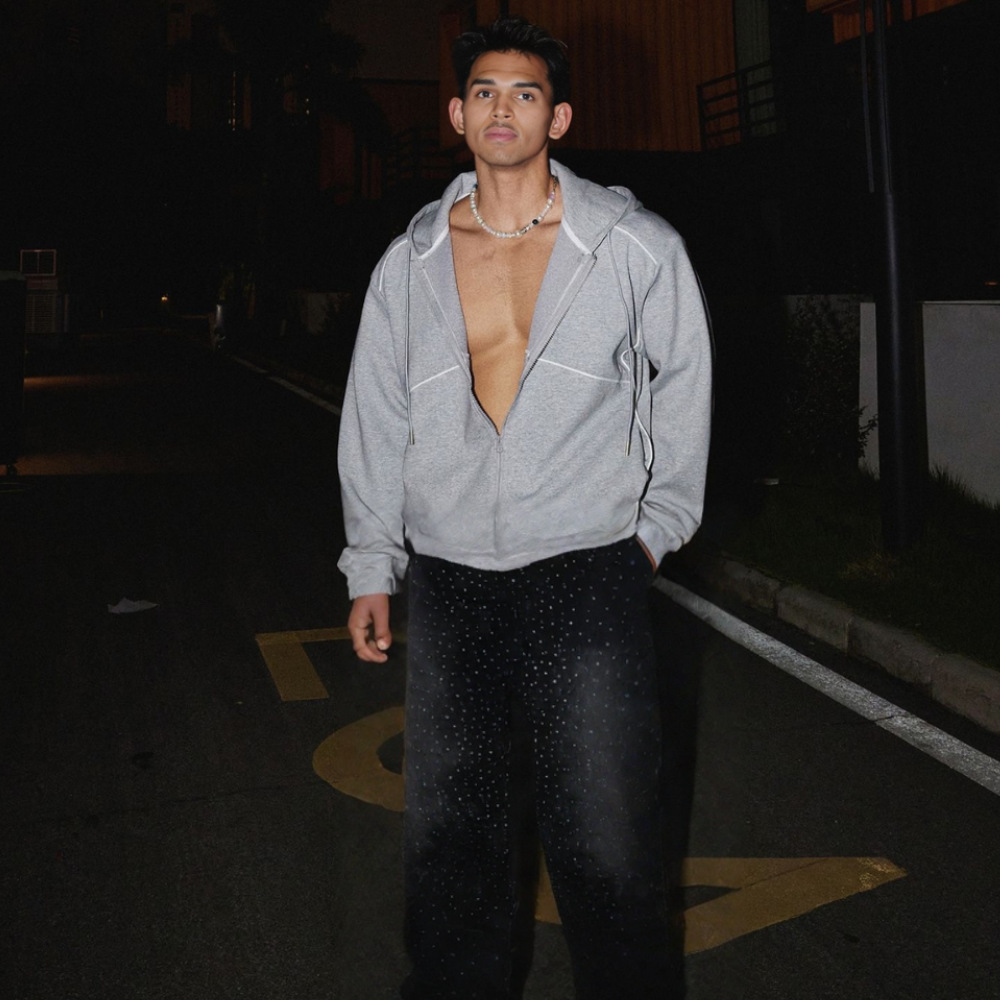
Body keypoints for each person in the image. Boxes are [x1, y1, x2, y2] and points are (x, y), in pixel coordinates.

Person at [338, 16, 712, 1000]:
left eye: (527, 92)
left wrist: (653, 533)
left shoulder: (633, 247)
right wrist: (372, 562)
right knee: (453, 845)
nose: (504, 108)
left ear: (560, 118)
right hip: (453, 580)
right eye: (486, 92)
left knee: (609, 845)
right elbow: (374, 416)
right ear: (458, 115)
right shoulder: (410, 262)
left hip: (586, 572)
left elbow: (685, 383)